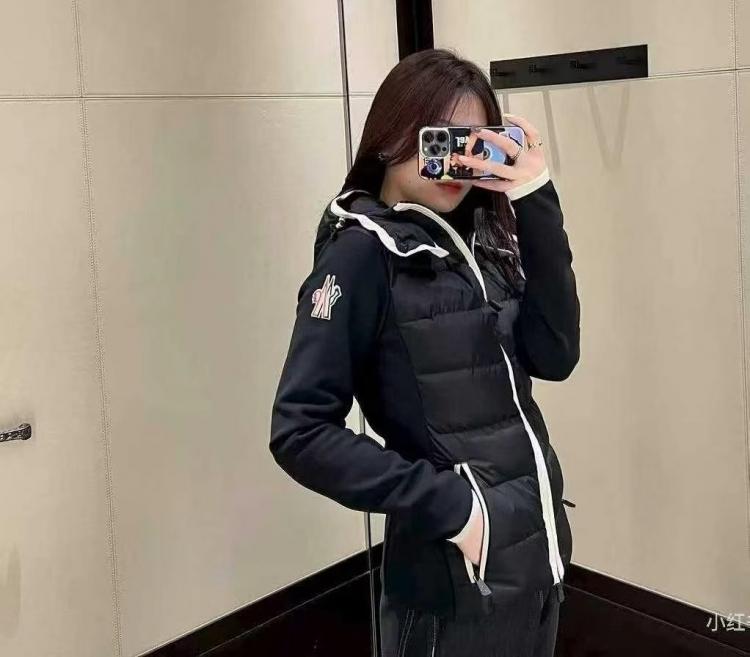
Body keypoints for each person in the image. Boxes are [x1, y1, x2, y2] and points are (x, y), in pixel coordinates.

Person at [269, 48, 580, 657]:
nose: (454, 159)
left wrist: (535, 197)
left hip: (534, 567)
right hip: (450, 592)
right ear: (391, 135)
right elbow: (298, 429)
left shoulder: (483, 241)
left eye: (471, 142)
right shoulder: (362, 254)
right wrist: (459, 511)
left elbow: (556, 355)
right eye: (438, 137)